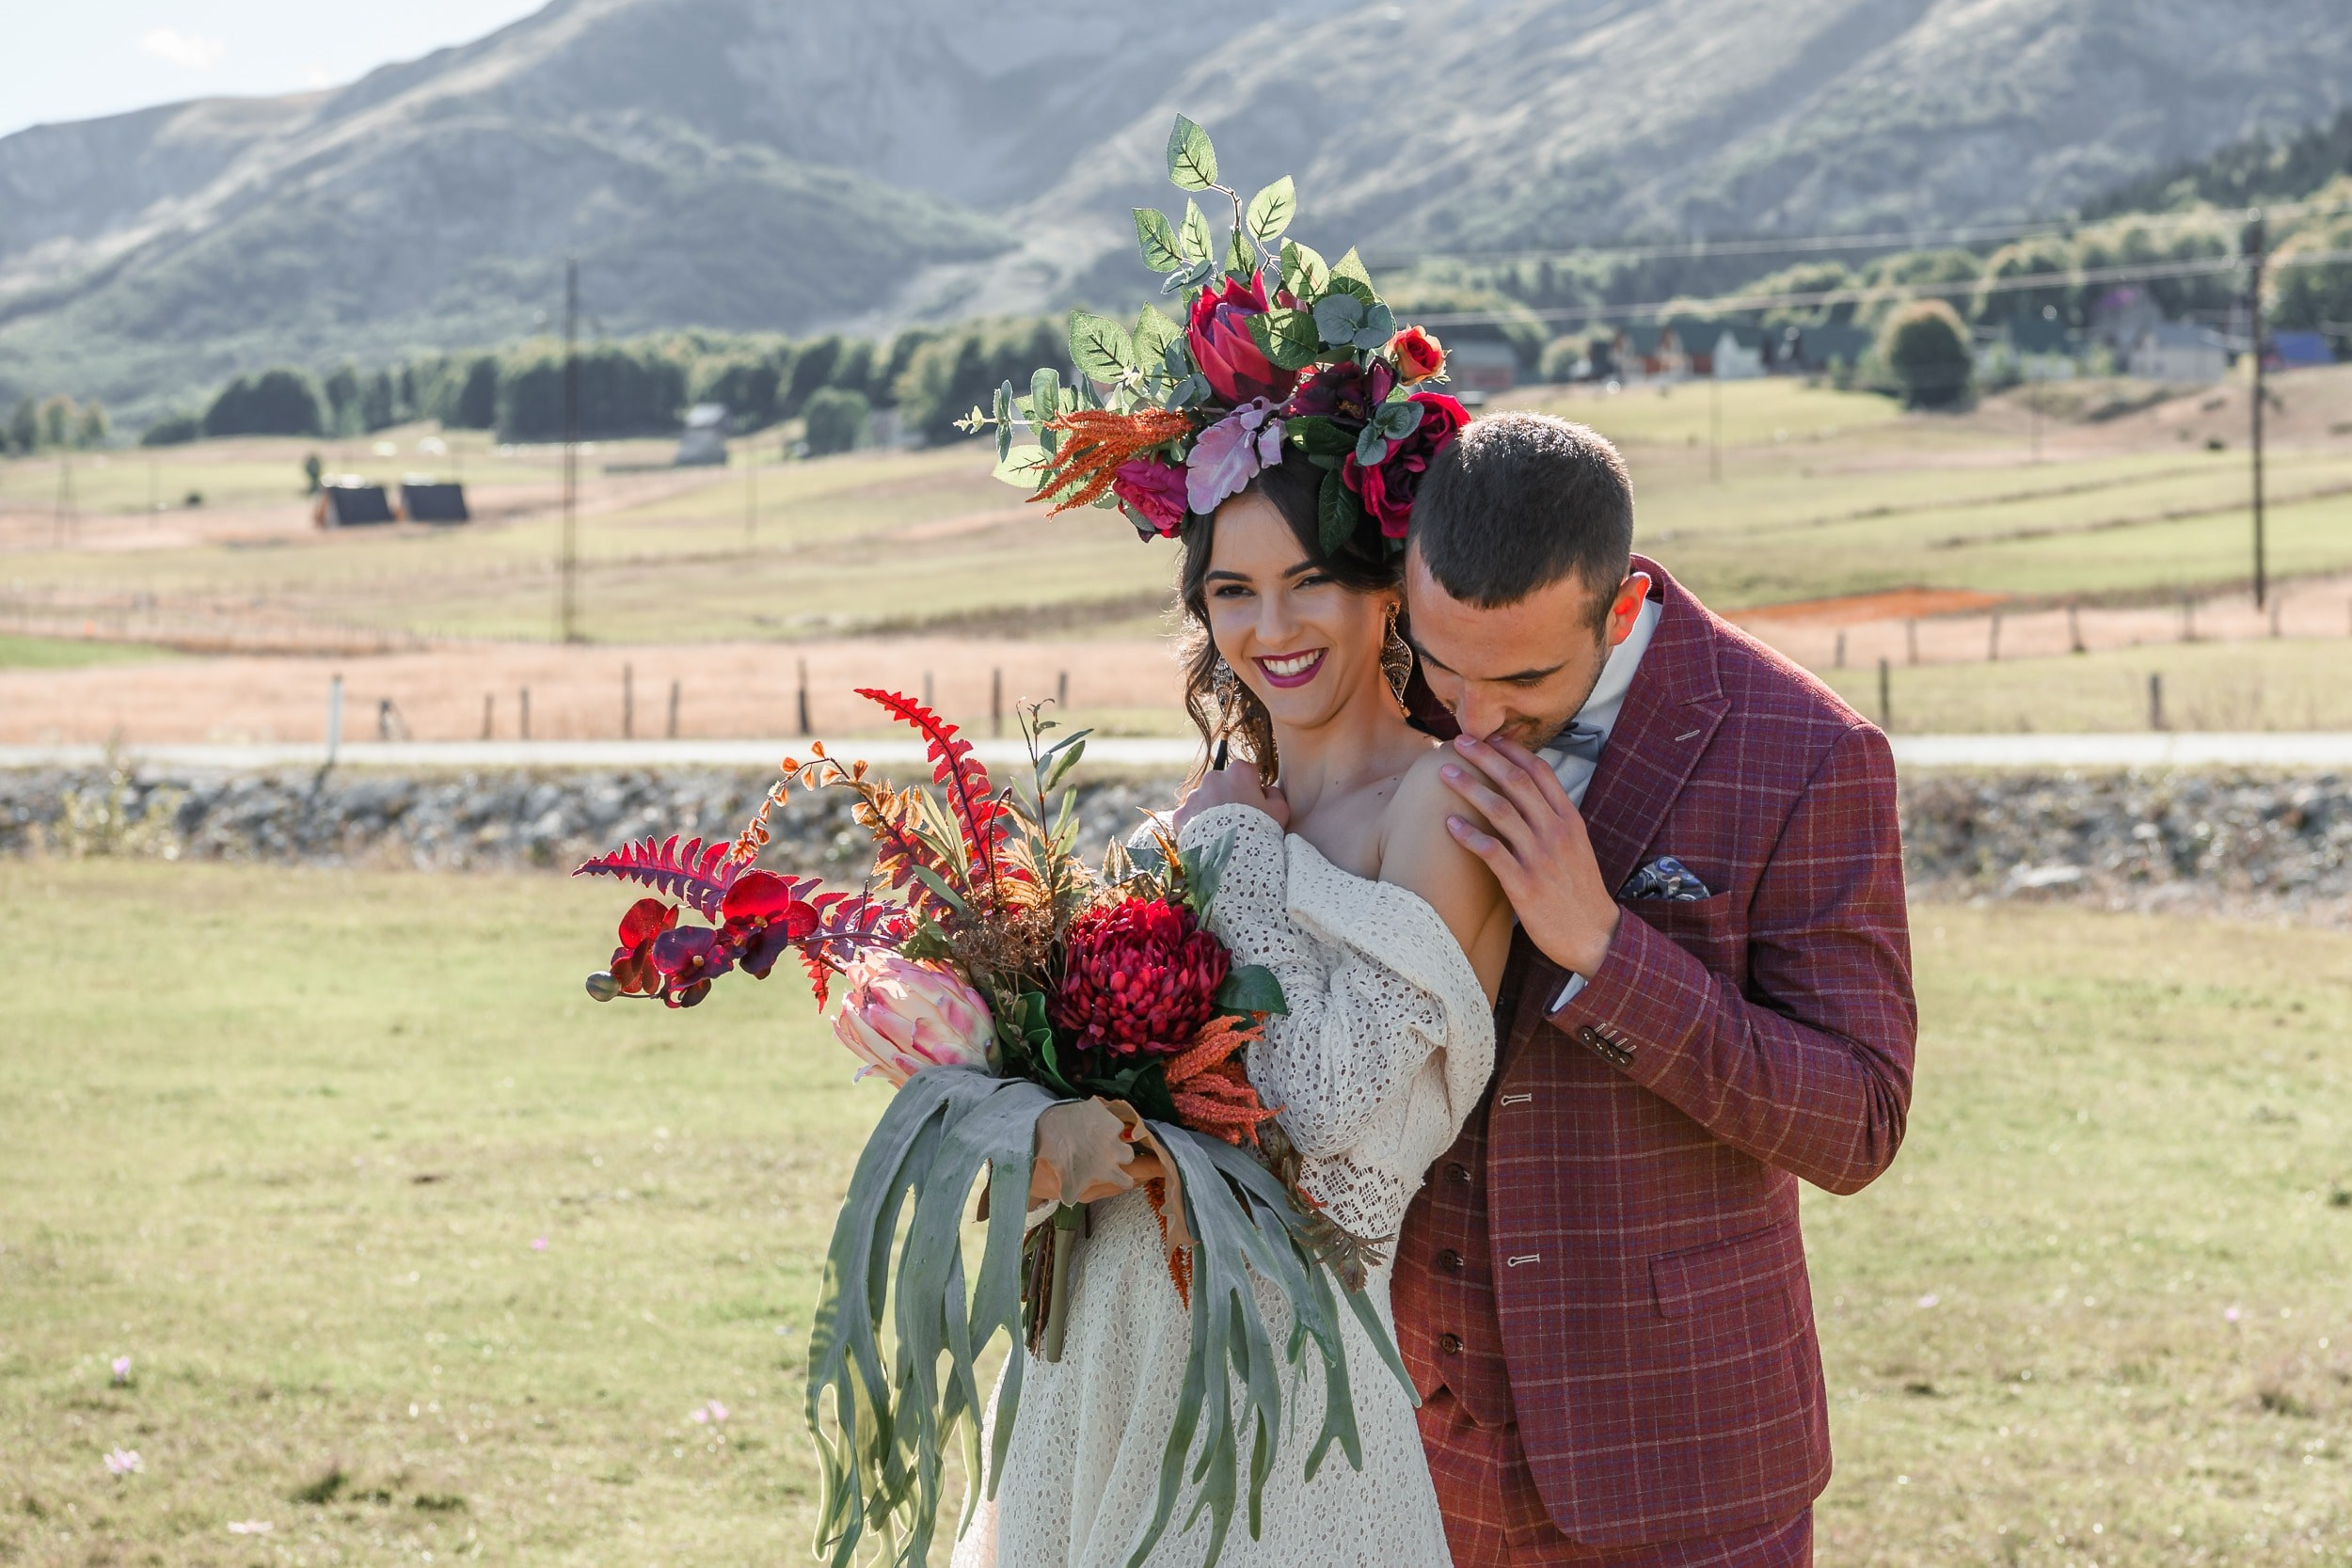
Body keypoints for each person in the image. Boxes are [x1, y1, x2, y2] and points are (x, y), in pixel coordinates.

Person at [954, 457, 1512, 1567]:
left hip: (1268, 1378)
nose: (1271, 626)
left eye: (1308, 581)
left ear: (1386, 587)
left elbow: (1324, 1105)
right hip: (1089, 1351)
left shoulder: (1434, 804)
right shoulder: (1205, 812)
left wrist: (1231, 849)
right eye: (1232, 591)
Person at [1388, 411, 1919, 1566]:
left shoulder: (1809, 751)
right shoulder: (1400, 689)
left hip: (1682, 1448)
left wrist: (1607, 951)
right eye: (1443, 666)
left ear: (1620, 608)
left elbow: (1860, 1121)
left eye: (1523, 677)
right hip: (1413, 1450)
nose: (1470, 716)